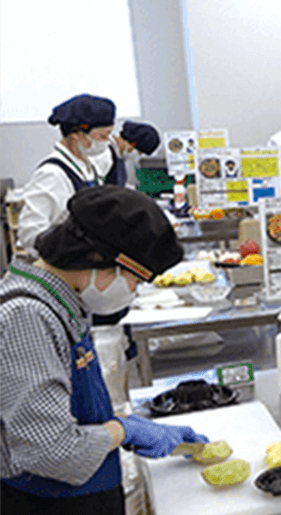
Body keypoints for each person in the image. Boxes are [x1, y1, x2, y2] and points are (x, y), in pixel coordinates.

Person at [1, 185, 208, 514]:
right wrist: (122, 429)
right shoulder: (27, 318)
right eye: (136, 281)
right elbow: (53, 452)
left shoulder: (60, 303)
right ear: (101, 260)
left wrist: (123, 424)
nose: (133, 292)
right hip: (51, 503)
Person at [16, 94, 117, 253]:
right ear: (77, 134)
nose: (107, 142)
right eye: (103, 136)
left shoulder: (88, 166)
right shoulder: (52, 174)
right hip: (64, 261)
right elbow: (30, 233)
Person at [88, 121, 161, 190]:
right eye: (139, 152)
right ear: (131, 143)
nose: (137, 156)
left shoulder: (118, 158)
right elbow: (94, 187)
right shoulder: (104, 154)